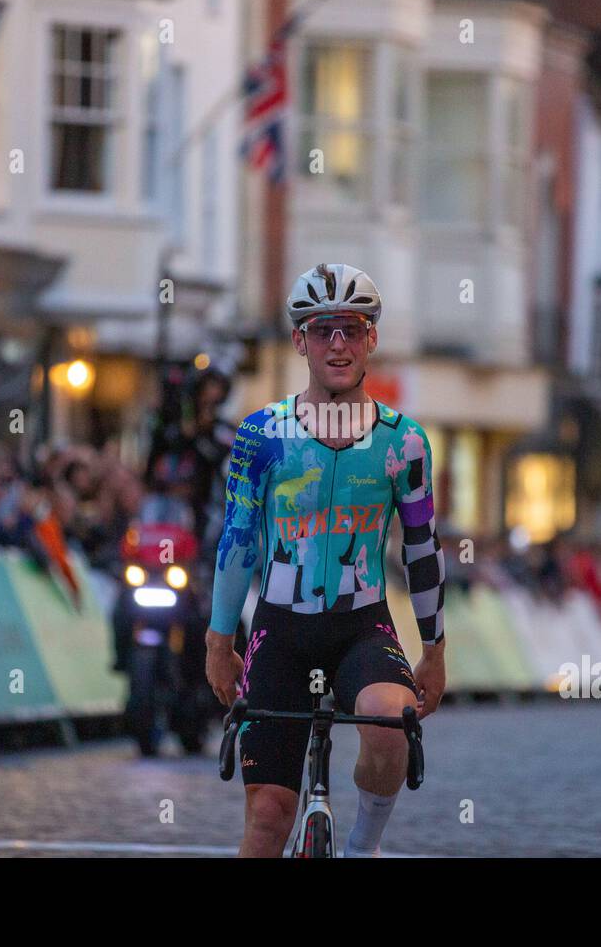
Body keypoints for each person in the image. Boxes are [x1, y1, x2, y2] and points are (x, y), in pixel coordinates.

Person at [205, 263, 447, 858]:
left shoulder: (404, 442)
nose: (336, 343)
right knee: (268, 816)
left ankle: (362, 848)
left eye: (350, 328)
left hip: (362, 624)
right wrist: (218, 641)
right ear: (299, 342)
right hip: (280, 630)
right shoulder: (261, 435)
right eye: (321, 330)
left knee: (389, 722)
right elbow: (238, 541)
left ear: (371, 339)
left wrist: (435, 650)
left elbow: (421, 548)